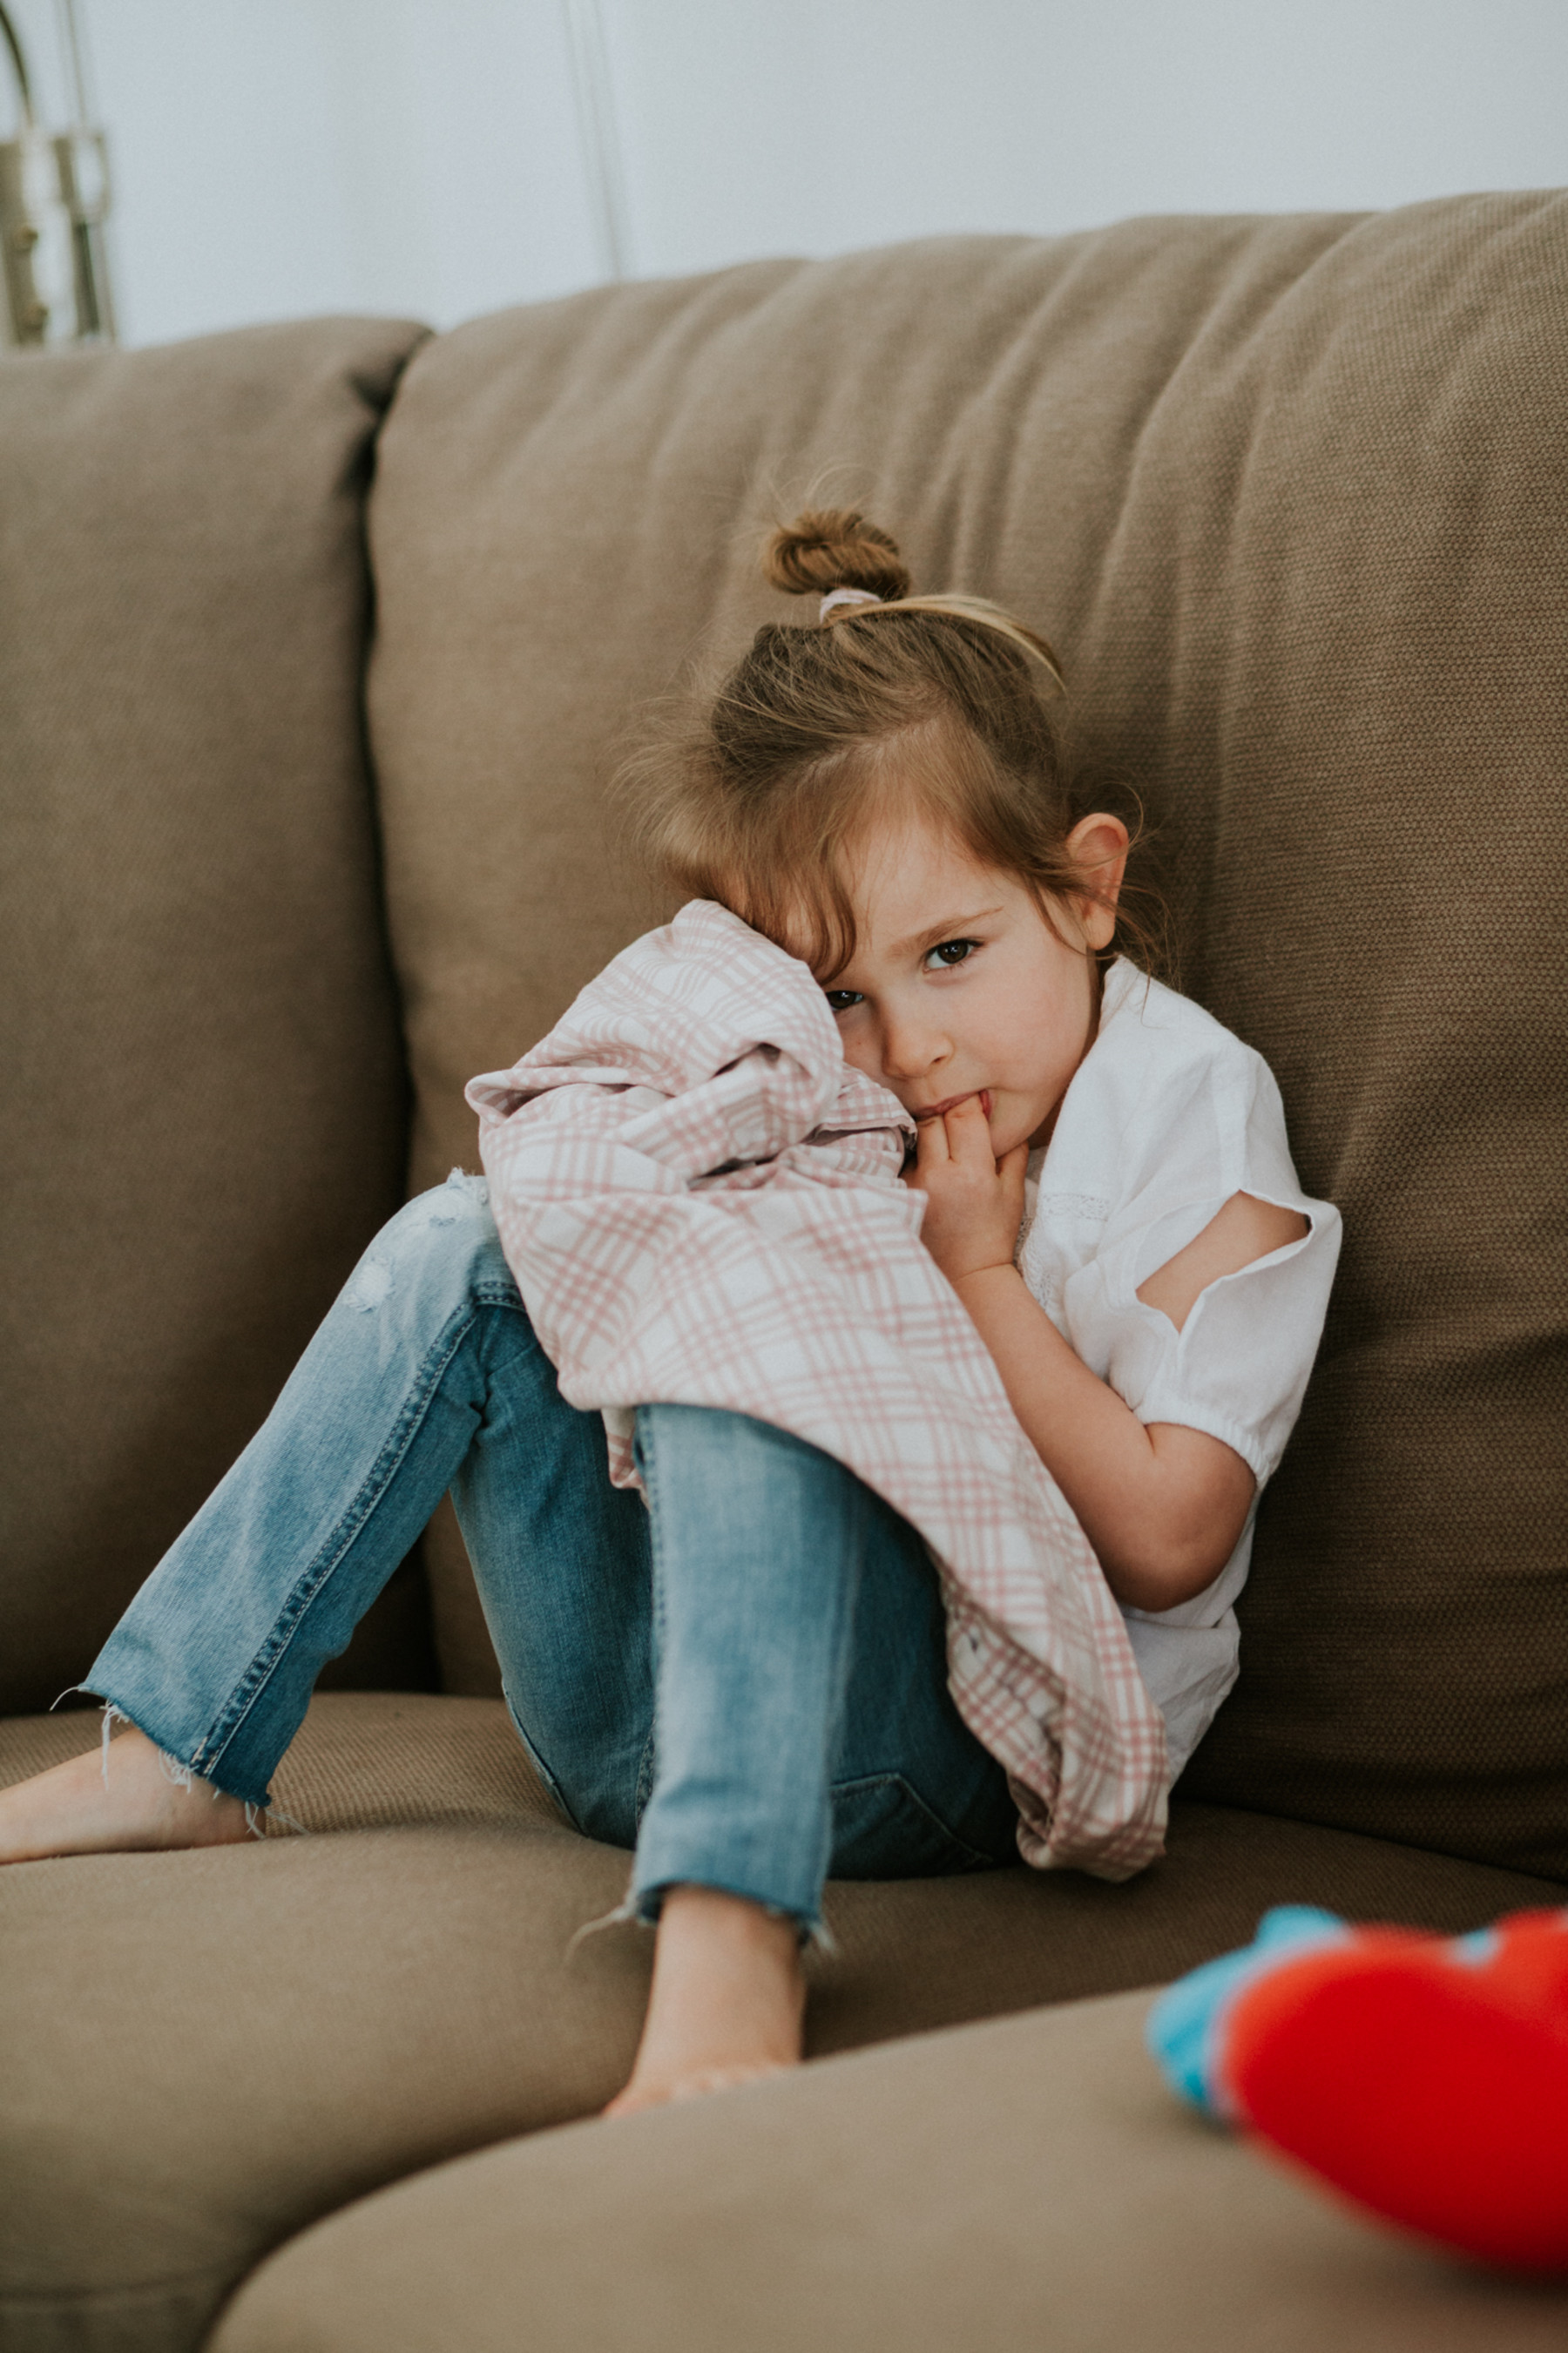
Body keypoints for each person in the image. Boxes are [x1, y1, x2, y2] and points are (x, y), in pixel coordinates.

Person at [0, 509, 1340, 2113]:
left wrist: (977, 1275)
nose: (908, 1045)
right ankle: (184, 1749)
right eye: (841, 992)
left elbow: (1176, 1534)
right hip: (633, 1713)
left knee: (753, 1319)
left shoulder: (1188, 1104)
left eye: (954, 952)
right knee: (471, 1235)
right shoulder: (836, 1106)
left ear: (1090, 888)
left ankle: (733, 1928)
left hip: (974, 1759)